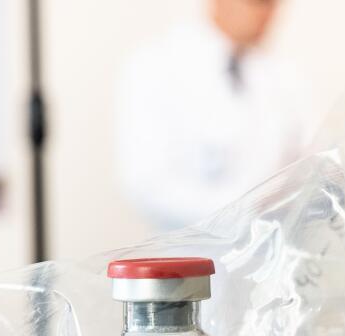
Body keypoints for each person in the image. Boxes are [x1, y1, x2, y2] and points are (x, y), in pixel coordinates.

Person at [117, 0, 310, 230]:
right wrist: (247, 209)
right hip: (194, 255)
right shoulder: (155, 66)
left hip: (274, 252)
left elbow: (309, 154)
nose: (270, 15)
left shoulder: (280, 73)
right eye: (258, 3)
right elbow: (148, 186)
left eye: (275, 4)